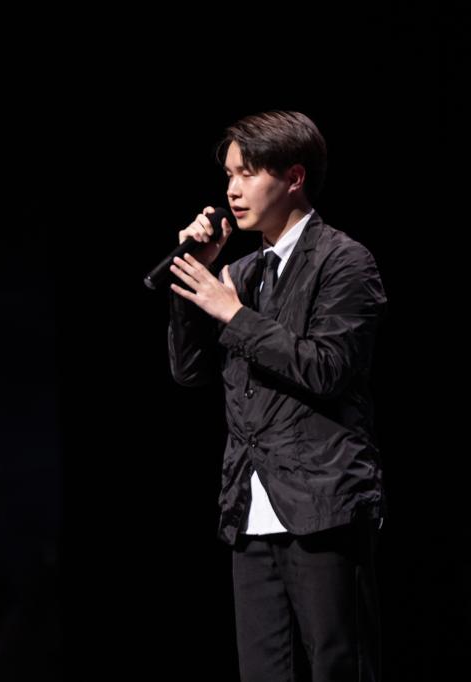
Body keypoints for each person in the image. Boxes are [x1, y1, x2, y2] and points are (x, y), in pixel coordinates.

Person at [166, 111, 387, 681]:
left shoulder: (345, 260)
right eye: (228, 175)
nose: (232, 190)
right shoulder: (242, 273)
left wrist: (233, 314)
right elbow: (190, 371)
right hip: (250, 505)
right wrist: (196, 280)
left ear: (293, 177)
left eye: (248, 173)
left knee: (339, 665)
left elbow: (327, 368)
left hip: (324, 502)